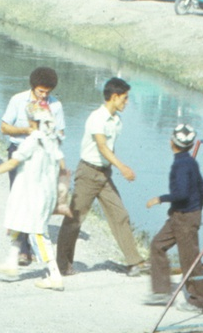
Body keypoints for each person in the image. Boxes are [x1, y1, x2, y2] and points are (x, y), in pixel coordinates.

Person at [55, 77, 148, 277]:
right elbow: (102, 146)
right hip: (88, 173)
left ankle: (134, 262)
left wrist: (114, 169)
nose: (127, 102)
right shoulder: (97, 118)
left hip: (104, 174)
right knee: (75, 219)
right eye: (124, 98)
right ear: (114, 97)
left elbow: (108, 149)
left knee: (120, 214)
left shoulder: (116, 121)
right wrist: (123, 167)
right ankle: (62, 265)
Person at [0, 107, 67, 291]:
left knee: (37, 232)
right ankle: (12, 260)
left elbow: (12, 163)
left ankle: (54, 274)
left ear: (33, 123)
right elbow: (62, 165)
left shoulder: (33, 141)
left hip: (32, 192)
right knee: (18, 221)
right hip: (43, 192)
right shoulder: (53, 140)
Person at [0, 67, 66, 265]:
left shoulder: (56, 106)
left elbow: (61, 134)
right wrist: (26, 130)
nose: (44, 96)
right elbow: (4, 127)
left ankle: (34, 243)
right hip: (19, 152)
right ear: (33, 87)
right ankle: (23, 248)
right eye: (40, 92)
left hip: (42, 157)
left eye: (47, 92)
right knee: (20, 197)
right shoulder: (17, 100)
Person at [144, 124, 203, 313]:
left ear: (172, 142)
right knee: (158, 245)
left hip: (184, 217)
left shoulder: (180, 165)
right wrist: (197, 207)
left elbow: (181, 194)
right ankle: (161, 291)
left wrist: (160, 199)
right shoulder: (190, 162)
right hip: (180, 215)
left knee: (189, 259)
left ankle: (200, 301)